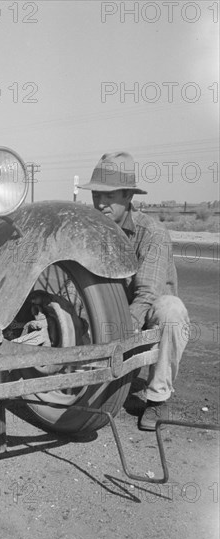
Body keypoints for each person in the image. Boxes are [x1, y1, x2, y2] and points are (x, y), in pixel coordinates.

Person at [78, 151, 189, 430]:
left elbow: (147, 295)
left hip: (145, 316)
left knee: (171, 311)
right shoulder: (93, 232)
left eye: (109, 196)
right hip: (112, 313)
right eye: (96, 196)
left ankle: (157, 399)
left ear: (128, 196)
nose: (100, 203)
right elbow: (76, 283)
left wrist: (119, 335)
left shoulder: (153, 233)